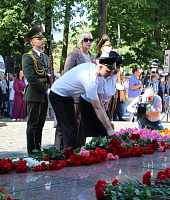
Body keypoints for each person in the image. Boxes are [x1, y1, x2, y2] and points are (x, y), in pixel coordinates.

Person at [49, 56, 118, 150]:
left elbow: (100, 106)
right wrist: (109, 130)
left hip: (66, 96)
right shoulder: (90, 78)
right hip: (58, 95)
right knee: (70, 128)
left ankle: (66, 153)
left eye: (111, 72)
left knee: (70, 127)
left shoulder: (94, 70)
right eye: (108, 72)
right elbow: (97, 108)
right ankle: (69, 156)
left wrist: (108, 122)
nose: (110, 75)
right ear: (100, 67)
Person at [54, 32, 96, 150]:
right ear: (80, 41)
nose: (89, 42)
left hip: (86, 97)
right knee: (70, 125)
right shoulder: (73, 55)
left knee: (83, 126)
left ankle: (80, 150)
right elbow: (66, 75)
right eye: (86, 39)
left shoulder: (92, 57)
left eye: (91, 40)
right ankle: (61, 150)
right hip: (74, 97)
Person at [79, 51, 122, 138]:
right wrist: (107, 120)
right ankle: (91, 150)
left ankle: (97, 150)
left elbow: (110, 91)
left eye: (119, 67)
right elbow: (98, 102)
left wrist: (106, 104)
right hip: (91, 103)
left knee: (105, 132)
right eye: (116, 67)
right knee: (102, 132)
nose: (117, 70)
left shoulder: (114, 76)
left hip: (102, 105)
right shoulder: (102, 76)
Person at [22, 24, 50, 155]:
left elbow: (46, 74)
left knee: (40, 125)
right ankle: (31, 152)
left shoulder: (45, 57)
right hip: (34, 94)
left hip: (44, 95)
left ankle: (38, 150)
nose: (42, 40)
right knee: (33, 124)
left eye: (42, 38)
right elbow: (31, 78)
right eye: (39, 39)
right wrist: (46, 89)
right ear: (32, 42)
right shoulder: (28, 56)